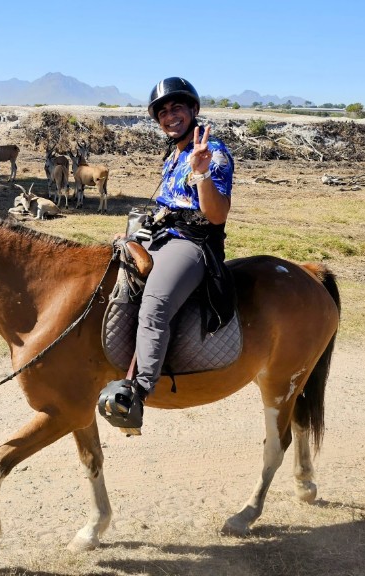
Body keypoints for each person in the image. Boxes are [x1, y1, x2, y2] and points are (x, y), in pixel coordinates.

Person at [101, 77, 234, 434]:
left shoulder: (213, 151)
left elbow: (217, 214)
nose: (170, 116)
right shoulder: (173, 153)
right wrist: (137, 232)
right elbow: (169, 205)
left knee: (155, 306)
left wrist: (201, 173)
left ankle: (138, 392)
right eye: (162, 112)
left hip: (192, 243)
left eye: (177, 108)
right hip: (160, 235)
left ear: (193, 110)